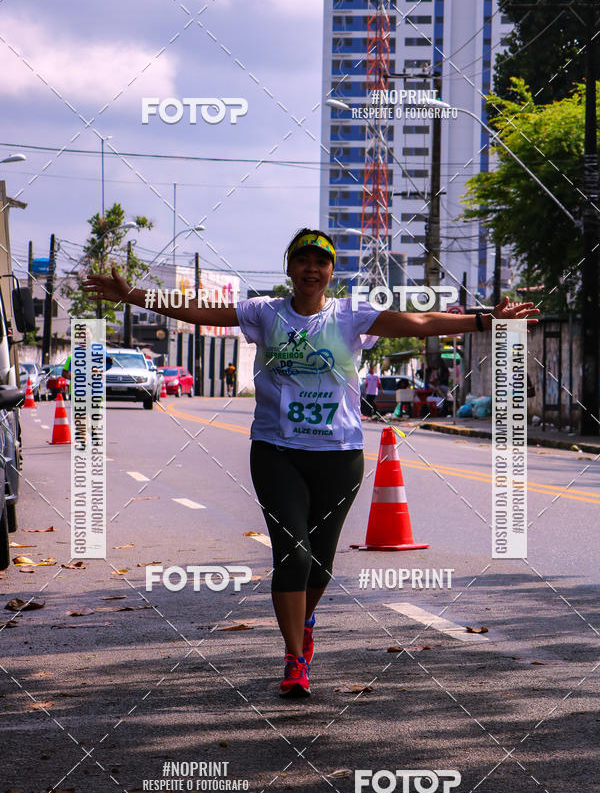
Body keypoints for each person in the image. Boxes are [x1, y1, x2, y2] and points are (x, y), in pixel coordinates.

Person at [83, 228, 539, 699]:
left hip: (339, 457)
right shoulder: (265, 313)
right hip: (277, 452)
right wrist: (131, 295)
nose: (311, 269)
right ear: (290, 269)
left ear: (331, 272)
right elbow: (199, 309)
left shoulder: (350, 316)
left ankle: (305, 623)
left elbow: (419, 321)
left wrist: (487, 321)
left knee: (318, 565)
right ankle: (295, 656)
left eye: (320, 262)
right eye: (302, 260)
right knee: (293, 555)